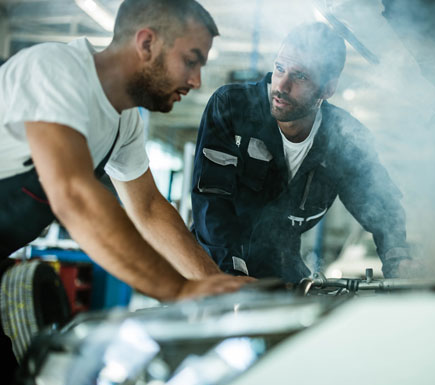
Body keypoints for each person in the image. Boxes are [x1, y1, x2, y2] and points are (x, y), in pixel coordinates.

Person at [0, 0, 255, 303]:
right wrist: (177, 289)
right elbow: (74, 196)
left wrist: (217, 286)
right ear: (147, 43)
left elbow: (147, 208)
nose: (196, 81)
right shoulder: (56, 70)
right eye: (190, 61)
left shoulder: (124, 121)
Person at [191, 22, 412, 283]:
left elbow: (381, 208)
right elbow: (212, 200)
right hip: (210, 262)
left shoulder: (345, 138)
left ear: (328, 89)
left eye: (301, 76)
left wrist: (399, 261)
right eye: (280, 68)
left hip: (280, 268)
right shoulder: (233, 106)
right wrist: (232, 274)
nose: (281, 86)